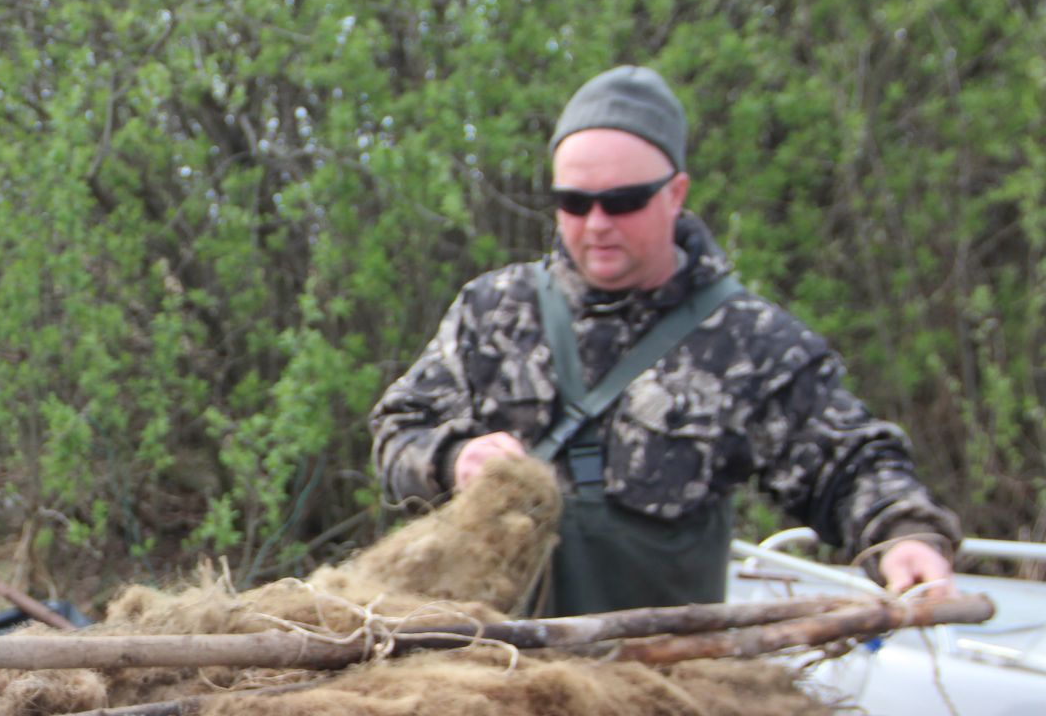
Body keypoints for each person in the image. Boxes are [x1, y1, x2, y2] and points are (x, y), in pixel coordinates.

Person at [369, 65, 959, 615]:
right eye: (573, 202)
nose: (597, 222)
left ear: (675, 193)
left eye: (623, 201)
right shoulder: (492, 311)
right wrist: (451, 458)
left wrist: (904, 536)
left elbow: (846, 462)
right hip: (487, 674)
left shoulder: (747, 343)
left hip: (659, 686)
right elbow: (398, 433)